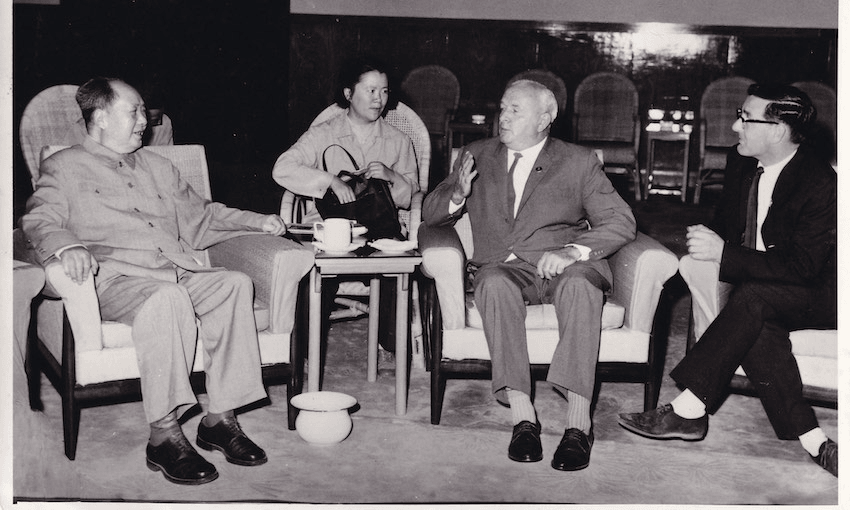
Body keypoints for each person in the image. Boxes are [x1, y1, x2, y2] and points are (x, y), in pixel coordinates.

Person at [21, 77, 305, 485]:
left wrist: (256, 221)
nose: (145, 121)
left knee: (233, 284)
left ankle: (219, 419)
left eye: (143, 112)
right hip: (115, 278)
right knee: (167, 298)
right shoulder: (63, 166)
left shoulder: (158, 165)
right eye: (133, 111)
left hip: (172, 268)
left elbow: (201, 218)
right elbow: (37, 220)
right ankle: (164, 434)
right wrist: (67, 247)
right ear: (100, 117)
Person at [618, 84, 837, 477]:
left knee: (752, 299)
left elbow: (804, 268)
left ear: (777, 130)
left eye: (745, 118)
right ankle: (814, 440)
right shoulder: (740, 164)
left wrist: (726, 254)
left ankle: (689, 408)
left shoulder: (820, 182)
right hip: (762, 291)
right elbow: (724, 228)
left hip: (821, 294)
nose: (735, 125)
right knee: (755, 314)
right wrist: (706, 242)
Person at [422, 79, 636, 471]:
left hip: (563, 265)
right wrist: (457, 193)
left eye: (514, 110)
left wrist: (574, 251)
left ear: (545, 119)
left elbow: (621, 221)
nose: (502, 117)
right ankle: (523, 418)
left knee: (579, 285)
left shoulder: (578, 161)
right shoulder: (475, 154)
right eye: (502, 108)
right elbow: (430, 214)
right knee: (492, 281)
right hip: (504, 268)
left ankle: (578, 424)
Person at [272, 58, 419, 225]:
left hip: (381, 228)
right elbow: (282, 168)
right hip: (327, 227)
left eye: (384, 91)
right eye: (371, 90)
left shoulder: (399, 140)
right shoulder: (322, 133)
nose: (379, 99)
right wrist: (331, 181)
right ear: (348, 94)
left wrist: (392, 176)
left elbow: (414, 191)